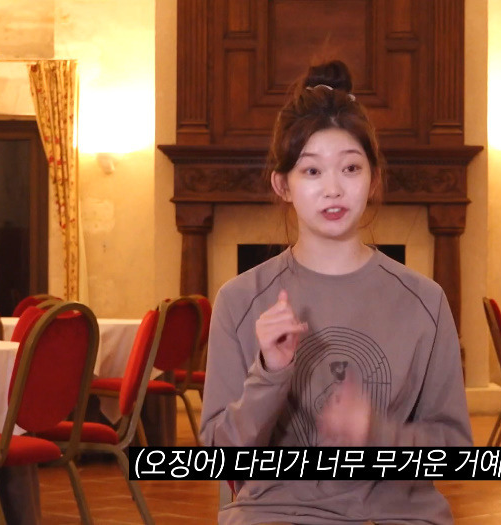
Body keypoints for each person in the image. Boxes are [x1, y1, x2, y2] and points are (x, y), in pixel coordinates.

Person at [200, 59, 472, 525]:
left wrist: (376, 433)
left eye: (350, 168)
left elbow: (457, 454)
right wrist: (270, 373)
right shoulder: (240, 299)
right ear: (283, 185)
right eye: (311, 171)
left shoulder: (426, 301)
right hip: (277, 514)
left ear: (373, 178)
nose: (333, 189)